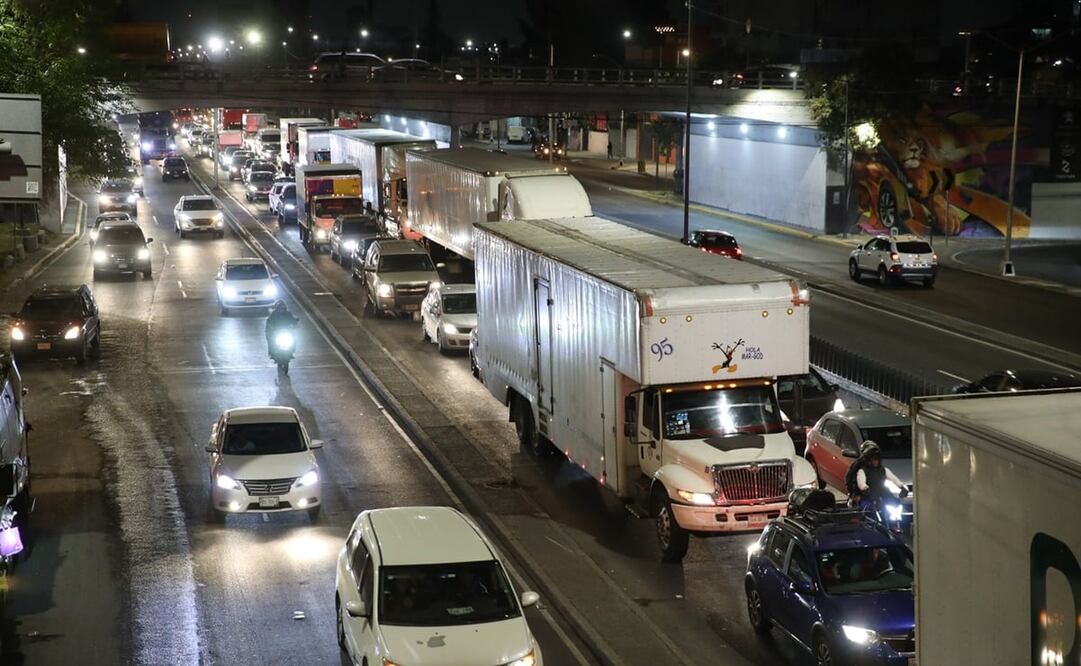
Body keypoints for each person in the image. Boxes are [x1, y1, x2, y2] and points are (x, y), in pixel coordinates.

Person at [845, 440, 908, 508]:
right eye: (873, 458)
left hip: (881, 493)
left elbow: (893, 478)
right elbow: (852, 480)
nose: (875, 461)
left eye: (877, 458)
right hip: (865, 496)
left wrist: (902, 487)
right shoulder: (859, 468)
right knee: (866, 507)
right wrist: (857, 492)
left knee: (896, 504)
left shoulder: (882, 470)